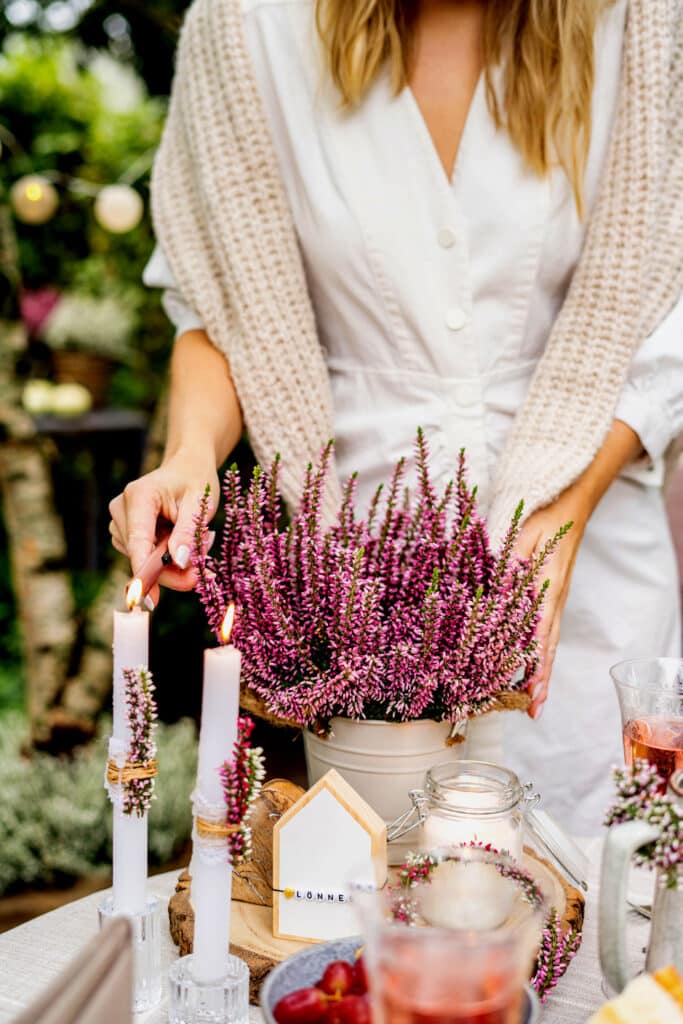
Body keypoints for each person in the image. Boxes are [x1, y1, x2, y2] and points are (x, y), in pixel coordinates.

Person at [109, 0, 683, 832]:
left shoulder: (641, 22)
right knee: (376, 916)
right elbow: (220, 309)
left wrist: (562, 508)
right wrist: (190, 453)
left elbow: (665, 307)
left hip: (590, 576)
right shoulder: (245, 28)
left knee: (604, 913)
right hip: (357, 582)